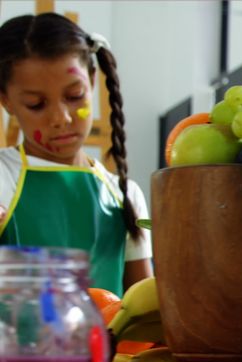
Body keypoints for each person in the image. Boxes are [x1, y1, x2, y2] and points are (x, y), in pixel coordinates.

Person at [0, 13, 151, 295]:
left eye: (74, 96)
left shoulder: (125, 196)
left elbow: (143, 316)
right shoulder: (3, 177)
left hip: (107, 342)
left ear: (92, 81)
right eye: (36, 104)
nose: (61, 118)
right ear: (6, 100)